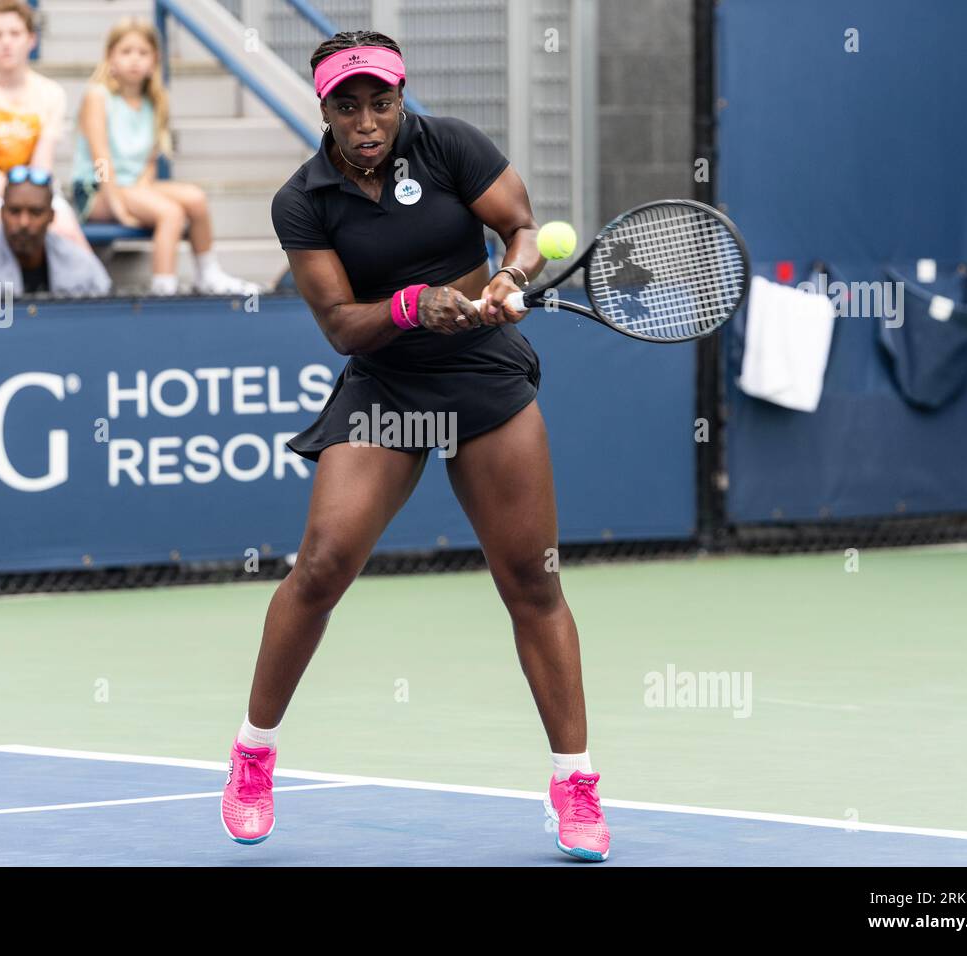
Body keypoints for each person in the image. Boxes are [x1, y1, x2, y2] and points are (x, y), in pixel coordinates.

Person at [221, 31, 611, 862]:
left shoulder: (454, 146)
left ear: (402, 99)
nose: (367, 121)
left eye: (381, 102)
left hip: (483, 377)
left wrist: (506, 279)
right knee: (321, 565)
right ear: (323, 109)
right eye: (347, 105)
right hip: (388, 385)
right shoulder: (303, 200)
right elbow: (339, 326)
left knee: (531, 583)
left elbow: (521, 228)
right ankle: (254, 754)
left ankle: (575, 784)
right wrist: (410, 308)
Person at [72, 18, 261, 296]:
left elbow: (149, 162)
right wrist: (118, 206)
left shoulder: (155, 103)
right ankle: (164, 289)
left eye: (142, 53)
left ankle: (208, 274)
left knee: (195, 199)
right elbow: (101, 157)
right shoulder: (97, 97)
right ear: (110, 58)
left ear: (154, 60)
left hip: (132, 186)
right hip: (99, 189)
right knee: (170, 213)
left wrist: (142, 191)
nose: (134, 60)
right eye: (126, 52)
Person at [0, 0, 88, 250]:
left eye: (15, 33)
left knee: (67, 232)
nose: (6, 42)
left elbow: (42, 166)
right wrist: (24, 210)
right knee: (11, 230)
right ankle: (16, 290)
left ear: (31, 39)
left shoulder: (51, 93)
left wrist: (34, 206)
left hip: (36, 187)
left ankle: (94, 289)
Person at [0, 166, 111, 295]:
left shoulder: (80, 263)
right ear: (1, 213)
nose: (24, 222)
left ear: (51, 216)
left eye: (35, 212)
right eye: (15, 211)